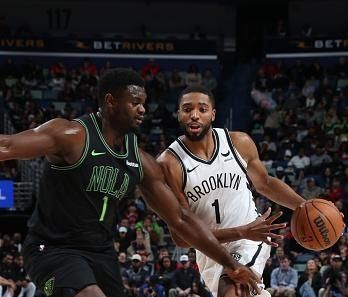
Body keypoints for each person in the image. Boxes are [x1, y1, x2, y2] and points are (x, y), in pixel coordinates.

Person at [0, 69, 262, 297]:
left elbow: (180, 219)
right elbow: (7, 145)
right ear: (110, 101)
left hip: (100, 253)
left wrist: (231, 264)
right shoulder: (71, 135)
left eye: (144, 103)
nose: (142, 109)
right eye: (135, 102)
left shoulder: (140, 160)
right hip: (53, 249)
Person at [157, 86, 306, 297]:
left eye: (202, 109)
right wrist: (240, 231)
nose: (194, 115)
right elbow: (181, 238)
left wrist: (304, 206)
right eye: (187, 109)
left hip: (249, 237)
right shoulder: (168, 164)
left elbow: (264, 183)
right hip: (209, 249)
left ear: (213, 114)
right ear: (179, 114)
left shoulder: (238, 142)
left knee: (233, 287)